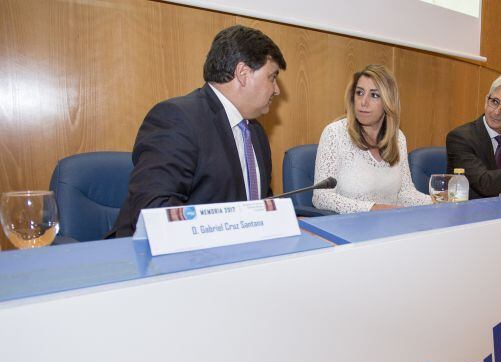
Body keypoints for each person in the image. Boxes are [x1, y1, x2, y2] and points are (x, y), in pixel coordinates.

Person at [110, 25, 286, 237]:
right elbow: (154, 210)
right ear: (243, 73)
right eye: (272, 76)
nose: (276, 89)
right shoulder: (176, 118)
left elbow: (259, 202)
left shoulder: (254, 131)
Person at [312, 64, 431, 214]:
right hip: (349, 228)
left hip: (389, 227)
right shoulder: (335, 133)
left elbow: (404, 193)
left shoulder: (398, 138)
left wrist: (436, 201)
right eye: (360, 93)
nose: (363, 102)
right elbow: (321, 197)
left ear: (388, 102)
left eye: (374, 95)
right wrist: (372, 208)